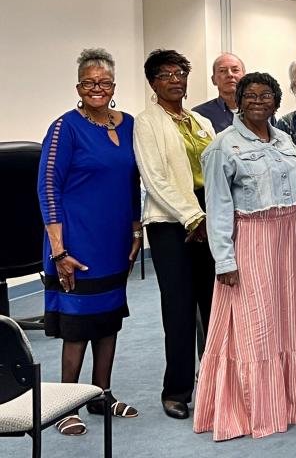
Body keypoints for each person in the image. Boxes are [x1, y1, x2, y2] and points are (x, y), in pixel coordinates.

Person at [193, 72, 296, 440]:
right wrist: (225, 260)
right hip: (251, 239)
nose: (258, 101)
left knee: (292, 320)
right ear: (238, 100)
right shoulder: (222, 147)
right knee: (256, 327)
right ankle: (255, 411)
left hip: (290, 238)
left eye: (267, 95)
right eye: (250, 95)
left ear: (277, 101)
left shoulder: (284, 140)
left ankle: (294, 403)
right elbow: (217, 208)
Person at [38, 48, 141, 437]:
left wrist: (135, 230)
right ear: (78, 87)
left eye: (104, 82)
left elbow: (133, 181)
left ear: (114, 86)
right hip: (76, 241)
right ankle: (67, 405)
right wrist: (58, 251)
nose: (96, 88)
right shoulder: (65, 127)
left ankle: (100, 394)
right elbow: (48, 188)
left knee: (108, 320)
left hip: (114, 240)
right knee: (77, 325)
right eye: (88, 82)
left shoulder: (127, 123)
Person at [133, 49, 216, 420]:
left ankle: (217, 385)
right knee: (180, 310)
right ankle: (177, 390)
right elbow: (155, 179)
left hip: (209, 218)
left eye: (180, 72)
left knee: (215, 308)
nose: (175, 79)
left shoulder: (200, 121)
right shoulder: (146, 123)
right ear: (153, 82)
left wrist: (210, 217)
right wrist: (190, 217)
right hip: (171, 224)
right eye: (165, 74)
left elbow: (215, 168)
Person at [193, 52, 245, 133]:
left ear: (244, 77)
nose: (230, 75)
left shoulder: (260, 111)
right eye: (222, 71)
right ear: (213, 80)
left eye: (235, 70)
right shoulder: (199, 114)